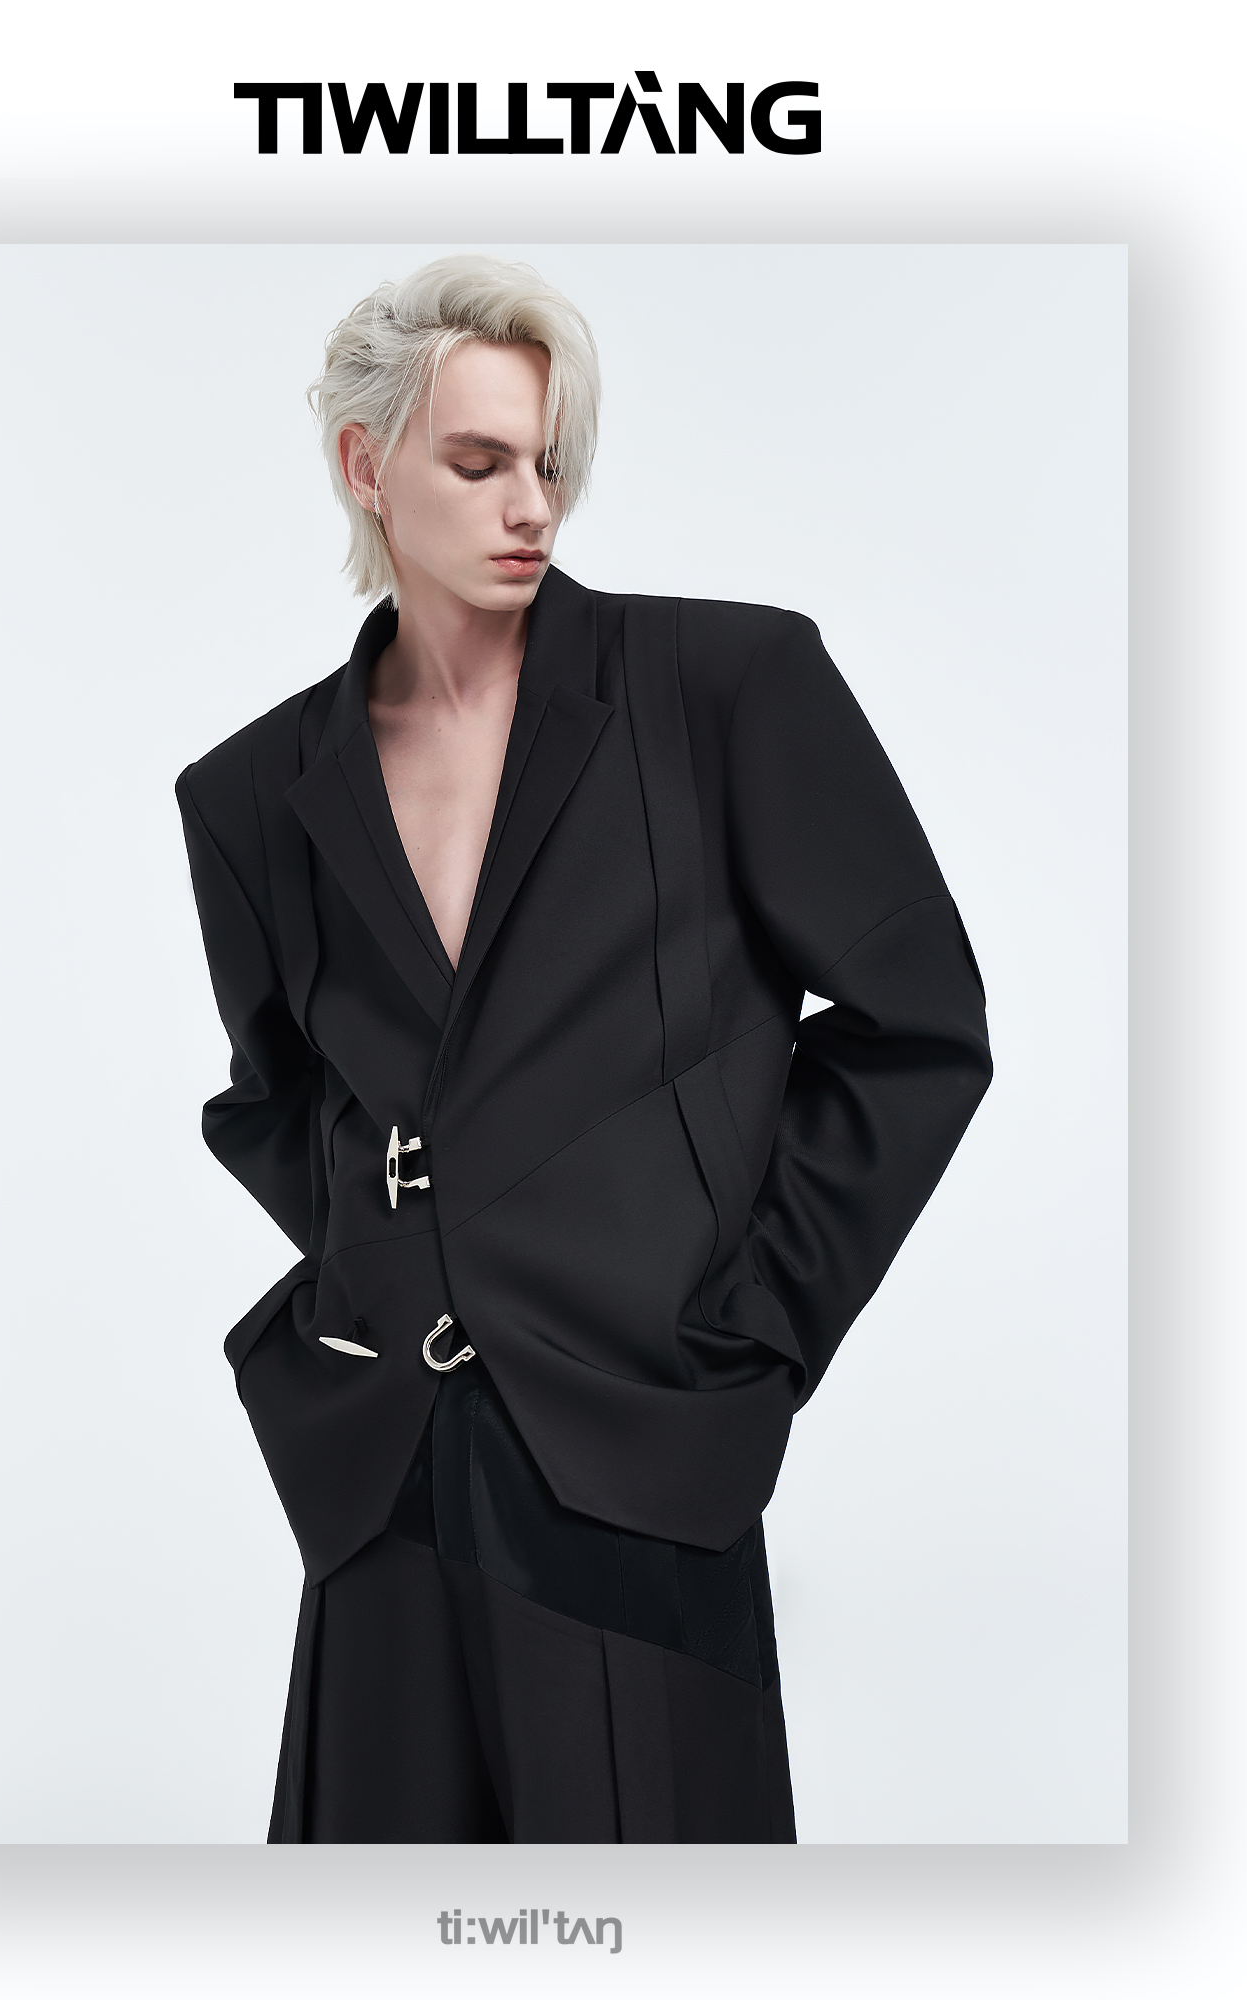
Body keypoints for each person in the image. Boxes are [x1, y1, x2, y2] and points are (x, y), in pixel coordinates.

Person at [176, 254, 992, 1843]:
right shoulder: (252, 795)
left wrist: (748, 1330)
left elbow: (919, 1024)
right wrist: (392, 1273)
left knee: (650, 1926)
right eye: (480, 461)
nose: (531, 506)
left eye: (549, 462)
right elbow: (276, 1100)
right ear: (366, 466)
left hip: (643, 1452)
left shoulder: (727, 688)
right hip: (383, 1482)